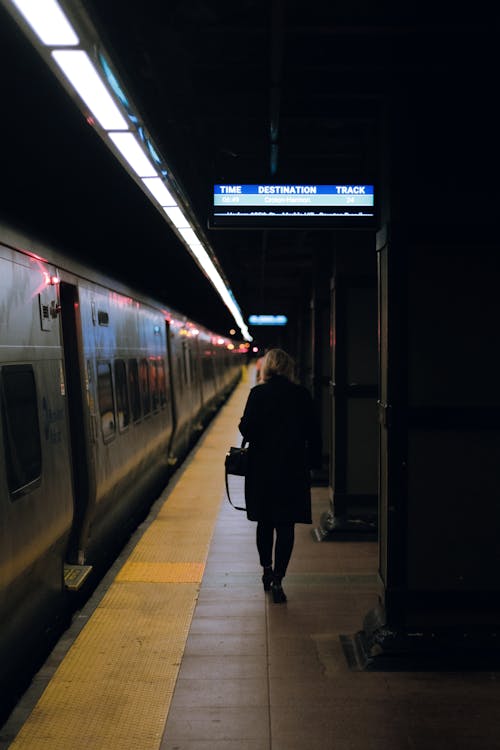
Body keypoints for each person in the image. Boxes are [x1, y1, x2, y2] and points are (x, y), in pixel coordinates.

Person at [238, 348, 321, 603]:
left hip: (262, 471)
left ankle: (266, 568)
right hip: (292, 471)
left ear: (268, 368)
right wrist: (312, 464)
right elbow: (314, 434)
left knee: (265, 523)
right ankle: (278, 579)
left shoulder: (257, 394)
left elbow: (246, 429)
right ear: (288, 368)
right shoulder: (301, 395)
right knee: (286, 527)